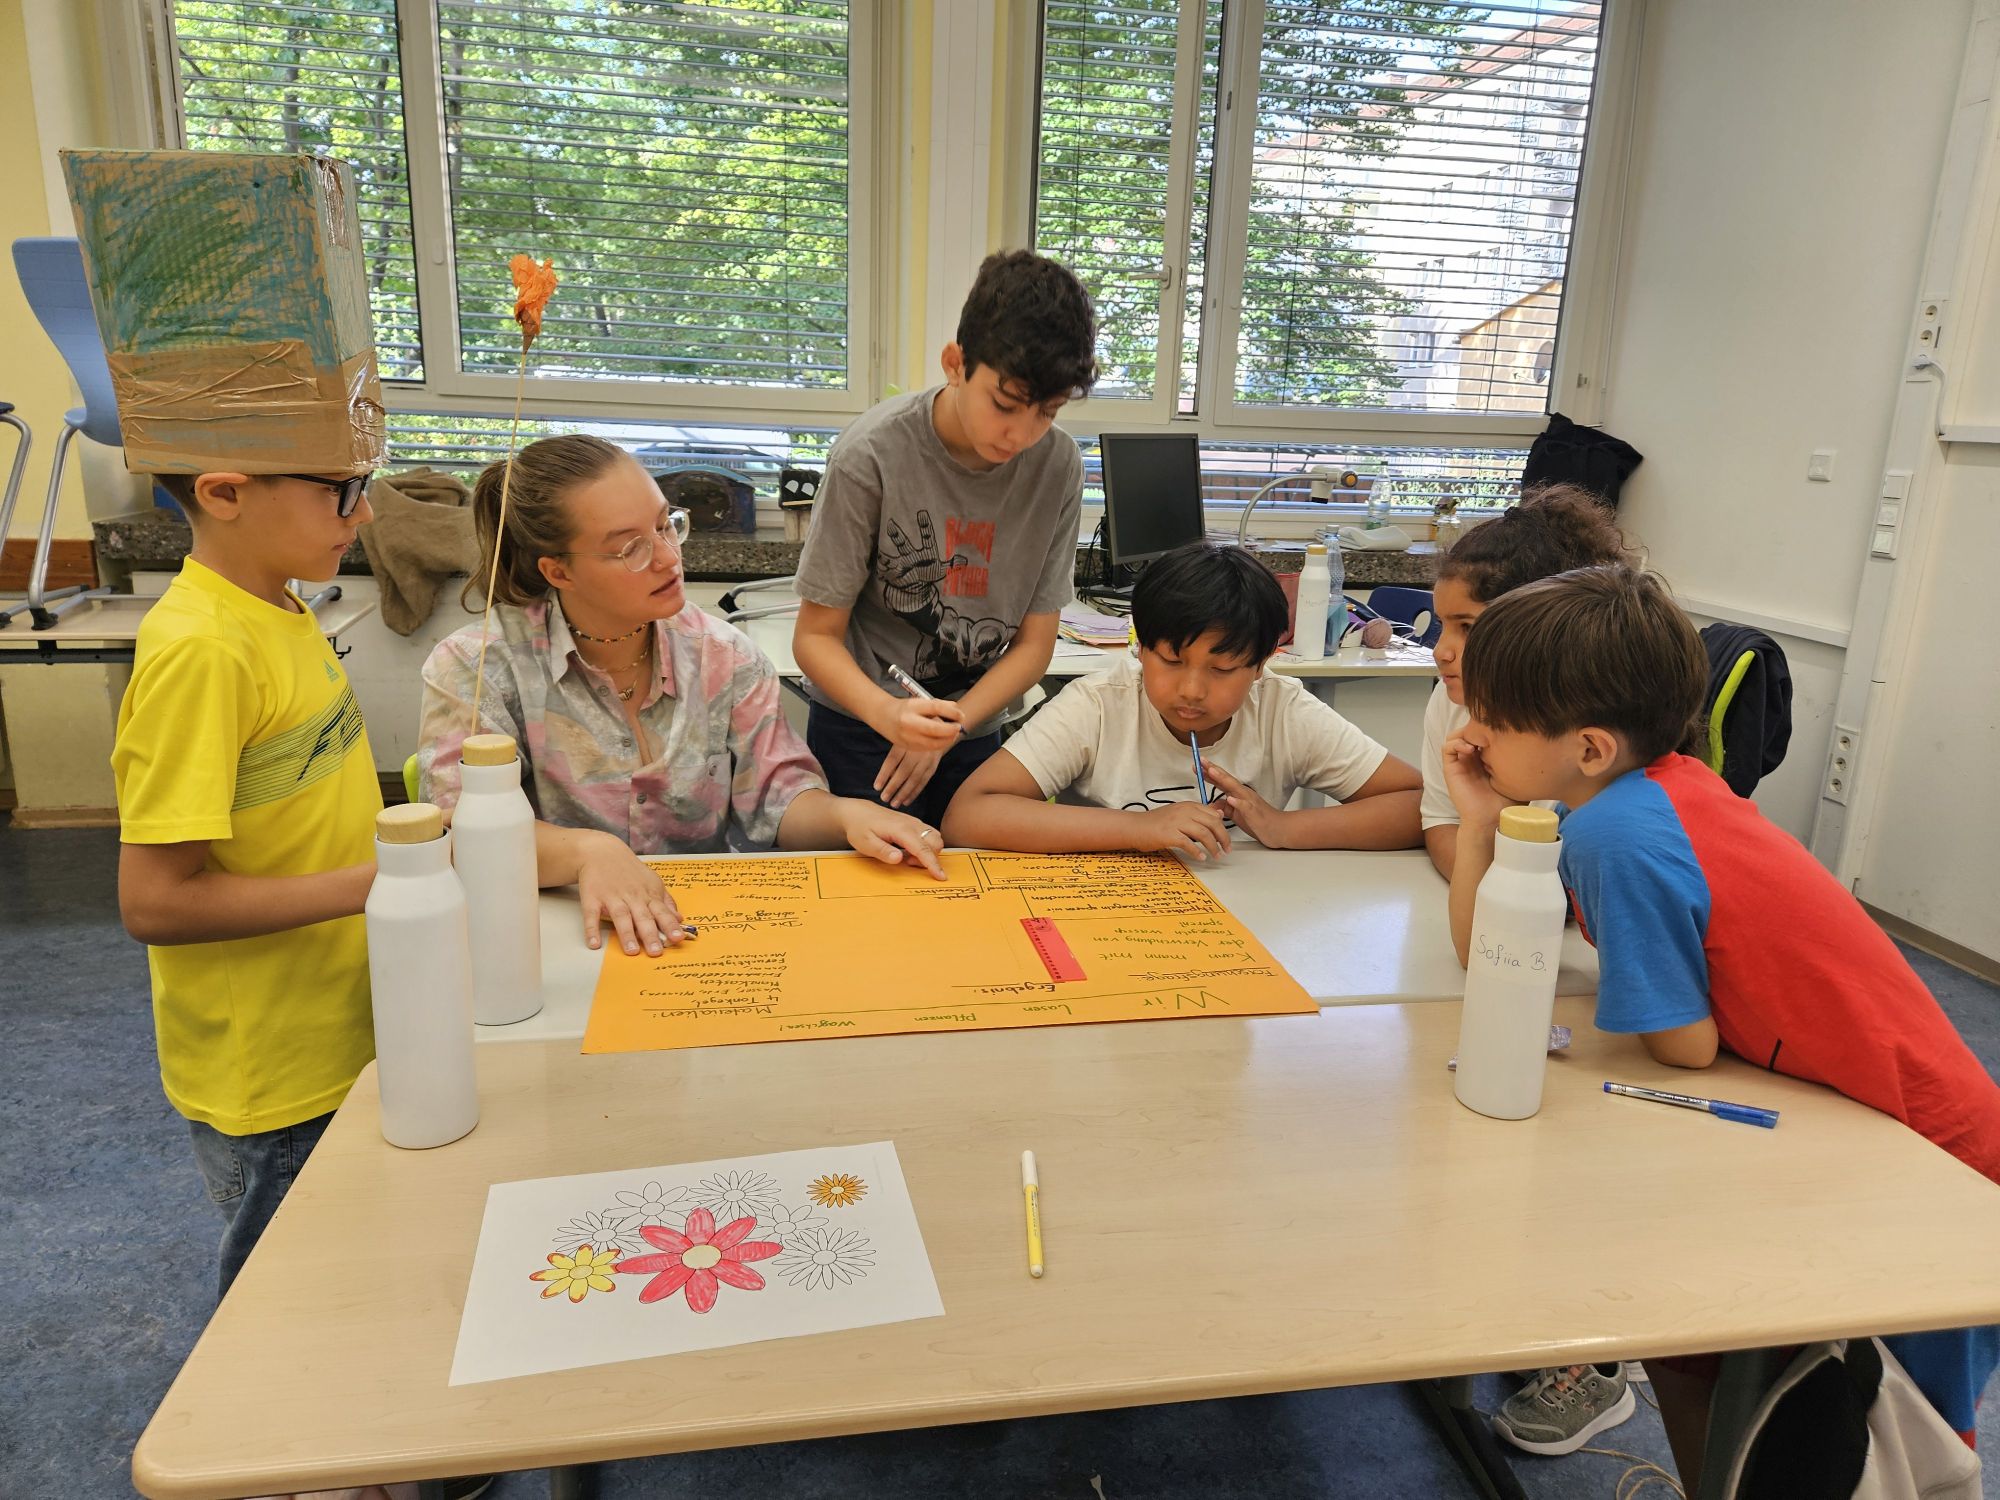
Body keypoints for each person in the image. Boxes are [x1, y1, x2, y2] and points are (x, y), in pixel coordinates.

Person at [1442, 563, 2000, 1478]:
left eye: (1494, 722)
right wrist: (1479, 822)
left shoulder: (1610, 833)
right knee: (1703, 1339)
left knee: (1903, 1439)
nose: (1472, 735)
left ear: (1586, 747)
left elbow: (1687, 1047)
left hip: (1935, 1159)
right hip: (1880, 1116)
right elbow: (1492, 954)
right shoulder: (1653, 786)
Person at [418, 435, 947, 960]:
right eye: (631, 548)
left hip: (696, 934)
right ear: (558, 571)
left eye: (665, 524)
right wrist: (586, 851)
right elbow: (454, 826)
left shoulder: (726, 656)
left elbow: (776, 797)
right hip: (554, 932)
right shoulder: (477, 667)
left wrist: (847, 817)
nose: (668, 557)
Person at [115, 466, 381, 1300]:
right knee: (289, 1313)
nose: (363, 514)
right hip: (278, 1079)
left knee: (358, 1275)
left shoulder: (284, 606)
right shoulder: (204, 649)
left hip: (339, 1027)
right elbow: (155, 901)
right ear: (224, 494)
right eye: (340, 491)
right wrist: (382, 883)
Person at [792, 249, 1099, 826]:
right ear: (956, 363)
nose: (1021, 435)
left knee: (972, 888)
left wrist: (950, 726)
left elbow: (1035, 644)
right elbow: (815, 638)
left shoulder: (1058, 467)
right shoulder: (871, 455)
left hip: (975, 725)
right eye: (1004, 405)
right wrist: (890, 718)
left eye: (1048, 413)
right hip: (863, 727)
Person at [942, 541, 1422, 854]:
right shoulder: (1099, 706)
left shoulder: (1281, 710)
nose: (1192, 690)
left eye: (1223, 669)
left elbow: (1418, 804)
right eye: (1170, 661)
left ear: (1261, 665)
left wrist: (1286, 829)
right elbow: (968, 817)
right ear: (1140, 648)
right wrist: (1140, 829)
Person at [1421, 484, 1631, 879]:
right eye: (1442, 626)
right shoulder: (1450, 701)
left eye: (1467, 628)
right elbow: (1440, 821)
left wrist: (1501, 890)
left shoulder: (1584, 738)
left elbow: (1572, 888)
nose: (1441, 651)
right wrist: (1495, 889)